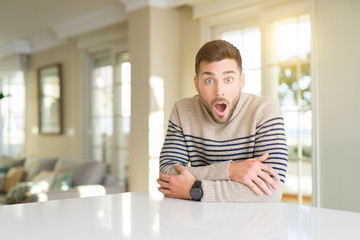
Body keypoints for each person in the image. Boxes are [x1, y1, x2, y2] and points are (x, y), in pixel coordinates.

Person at [157, 40, 288, 202]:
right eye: (209, 81)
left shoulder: (265, 110)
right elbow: (167, 175)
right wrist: (230, 171)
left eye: (228, 80)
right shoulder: (183, 110)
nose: (219, 92)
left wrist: (194, 189)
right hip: (197, 221)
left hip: (252, 223)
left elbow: (271, 191)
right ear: (197, 84)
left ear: (241, 81)